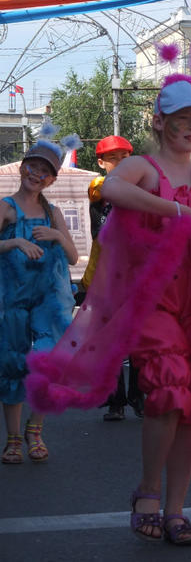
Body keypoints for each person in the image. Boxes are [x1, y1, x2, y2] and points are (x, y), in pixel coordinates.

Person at [27, 75, 191, 544]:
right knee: (169, 391)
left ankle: (176, 511)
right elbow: (111, 189)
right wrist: (174, 211)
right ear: (160, 122)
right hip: (152, 302)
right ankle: (148, 493)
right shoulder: (143, 169)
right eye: (183, 119)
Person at [1, 139, 78, 465]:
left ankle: (36, 429)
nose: (37, 174)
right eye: (33, 166)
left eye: (45, 171)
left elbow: (73, 257)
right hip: (13, 298)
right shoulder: (5, 208)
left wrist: (58, 236)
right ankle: (14, 439)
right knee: (13, 364)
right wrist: (15, 241)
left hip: (49, 300)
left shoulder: (53, 212)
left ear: (52, 179)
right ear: (23, 168)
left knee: (48, 364)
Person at [84, 135, 145, 422]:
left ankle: (138, 395)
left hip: (138, 276)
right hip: (108, 277)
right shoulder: (99, 192)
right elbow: (99, 233)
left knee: (140, 340)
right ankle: (115, 400)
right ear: (100, 162)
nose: (119, 163)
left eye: (125, 158)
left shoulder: (142, 191)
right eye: (113, 159)